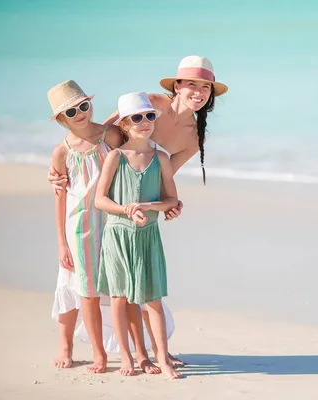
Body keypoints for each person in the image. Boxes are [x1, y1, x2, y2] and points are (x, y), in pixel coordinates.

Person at [47, 55, 228, 366]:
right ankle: (66, 347)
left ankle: (153, 352)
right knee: (76, 278)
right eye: (192, 85)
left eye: (206, 88)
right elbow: (97, 135)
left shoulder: (194, 137)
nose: (199, 92)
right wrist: (61, 171)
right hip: (98, 196)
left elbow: (165, 176)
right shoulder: (150, 102)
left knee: (137, 281)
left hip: (135, 210)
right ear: (178, 86)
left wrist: (170, 205)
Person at [95, 91, 182, 379]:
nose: (144, 122)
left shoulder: (161, 157)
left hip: (148, 237)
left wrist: (146, 206)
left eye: (149, 116)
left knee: (153, 299)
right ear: (123, 124)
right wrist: (125, 210)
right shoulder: (115, 157)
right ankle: (128, 358)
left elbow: (172, 200)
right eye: (136, 118)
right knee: (119, 298)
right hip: (117, 236)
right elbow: (99, 200)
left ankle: (163, 359)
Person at [48, 80, 122, 373]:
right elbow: (60, 198)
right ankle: (98, 354)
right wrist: (61, 242)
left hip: (114, 222)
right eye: (71, 111)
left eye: (83, 106)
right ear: (60, 120)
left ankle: (136, 349)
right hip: (79, 227)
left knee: (119, 288)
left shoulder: (112, 136)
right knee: (84, 290)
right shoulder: (61, 152)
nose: (80, 113)